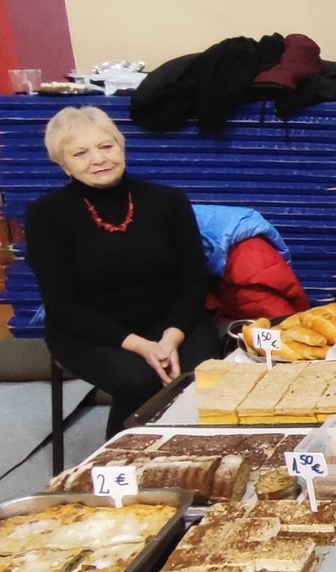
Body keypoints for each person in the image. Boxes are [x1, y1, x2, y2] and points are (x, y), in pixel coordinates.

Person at [24, 106, 221, 436]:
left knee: (204, 377)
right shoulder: (46, 215)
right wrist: (141, 346)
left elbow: (194, 283)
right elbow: (62, 305)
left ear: (121, 147)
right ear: (63, 164)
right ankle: (120, 463)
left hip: (171, 320)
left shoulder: (168, 201)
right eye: (80, 153)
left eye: (106, 146)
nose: (98, 159)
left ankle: (199, 458)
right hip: (90, 330)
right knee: (139, 381)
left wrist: (170, 337)